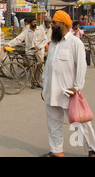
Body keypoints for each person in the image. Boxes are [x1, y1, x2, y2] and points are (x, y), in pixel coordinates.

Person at [41, 10, 95, 157]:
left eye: (54, 23)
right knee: (53, 124)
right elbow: (48, 67)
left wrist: (77, 87)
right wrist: (44, 86)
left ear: (63, 24)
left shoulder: (75, 43)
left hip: (68, 91)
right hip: (51, 91)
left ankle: (92, 149)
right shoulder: (53, 43)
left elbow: (81, 66)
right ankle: (57, 151)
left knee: (81, 123)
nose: (52, 25)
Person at [5, 17, 47, 89]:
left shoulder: (40, 30)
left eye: (35, 22)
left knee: (40, 66)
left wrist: (39, 46)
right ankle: (33, 82)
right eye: (33, 22)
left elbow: (45, 39)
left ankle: (39, 82)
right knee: (32, 67)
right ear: (30, 24)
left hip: (39, 51)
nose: (35, 24)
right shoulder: (26, 31)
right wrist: (9, 44)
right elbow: (18, 39)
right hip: (30, 51)